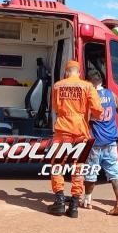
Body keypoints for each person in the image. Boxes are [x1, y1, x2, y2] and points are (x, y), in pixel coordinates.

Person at [47, 60, 103, 218]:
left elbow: (56, 107)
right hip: (80, 131)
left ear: (66, 72)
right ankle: (73, 207)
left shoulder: (58, 85)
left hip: (63, 130)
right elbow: (98, 110)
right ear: (79, 73)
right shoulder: (87, 86)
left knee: (57, 165)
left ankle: (58, 203)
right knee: (78, 167)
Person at [83, 70, 118, 216]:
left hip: (95, 144)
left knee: (91, 173)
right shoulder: (112, 95)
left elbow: (87, 119)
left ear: (89, 84)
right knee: (115, 174)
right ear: (101, 81)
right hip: (111, 143)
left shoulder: (91, 97)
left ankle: (87, 200)